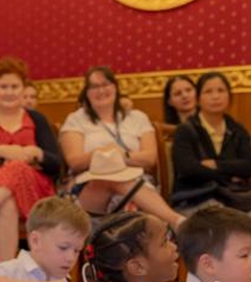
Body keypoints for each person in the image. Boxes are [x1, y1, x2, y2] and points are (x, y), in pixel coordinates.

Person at [170, 71, 251, 278]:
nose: (216, 96)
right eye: (209, 91)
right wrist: (230, 171)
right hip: (197, 198)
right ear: (198, 97)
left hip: (233, 198)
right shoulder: (187, 130)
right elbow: (188, 168)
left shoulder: (236, 129)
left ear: (229, 96)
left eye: (221, 90)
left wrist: (215, 165)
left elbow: (248, 166)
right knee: (223, 222)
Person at [0, 57, 62, 262]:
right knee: (6, 204)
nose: (9, 91)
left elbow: (57, 164)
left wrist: (37, 153)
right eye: (3, 86)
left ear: (24, 89)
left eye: (14, 86)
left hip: (33, 191)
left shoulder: (37, 119)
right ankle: (6, 271)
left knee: (16, 167)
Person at [59, 66, 183, 228]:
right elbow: (74, 161)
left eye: (106, 84)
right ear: (86, 93)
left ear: (115, 87)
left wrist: (119, 155)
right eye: (94, 87)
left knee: (124, 184)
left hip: (136, 181)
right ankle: (176, 221)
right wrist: (102, 154)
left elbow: (149, 158)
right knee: (112, 180)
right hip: (89, 185)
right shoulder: (76, 119)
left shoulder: (137, 117)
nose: (101, 90)